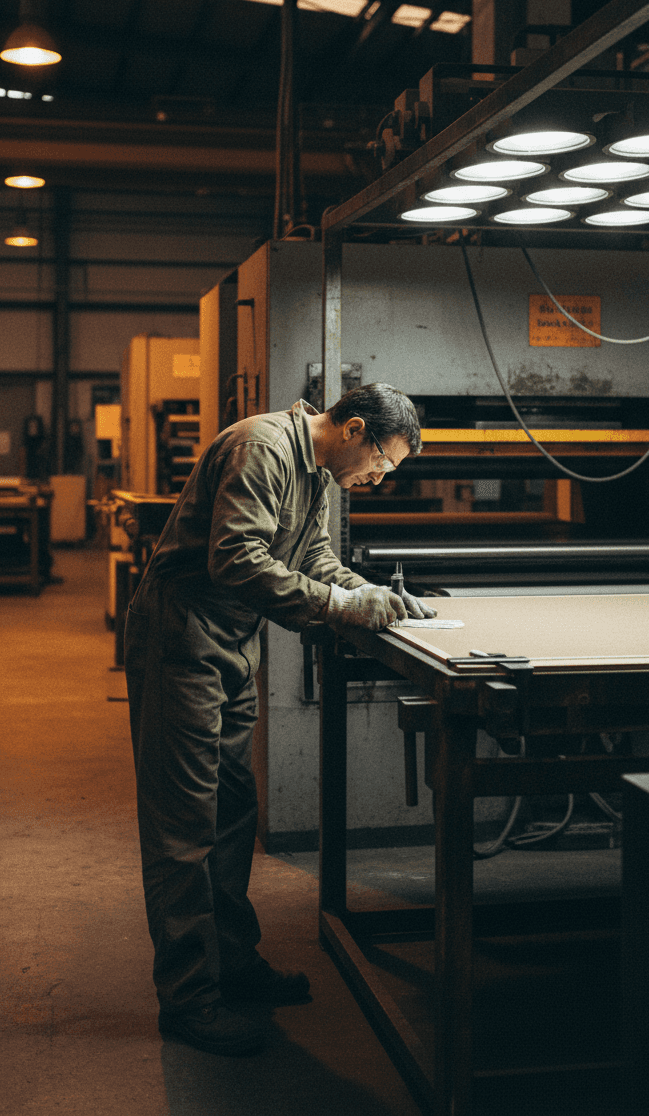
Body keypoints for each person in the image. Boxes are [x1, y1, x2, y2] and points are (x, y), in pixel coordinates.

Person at [124, 383, 436, 1056]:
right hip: (181, 637)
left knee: (233, 812)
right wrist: (342, 608)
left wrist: (370, 593)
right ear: (353, 428)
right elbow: (236, 561)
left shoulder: (321, 474)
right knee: (183, 825)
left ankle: (232, 964)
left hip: (233, 641)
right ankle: (188, 999)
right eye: (383, 462)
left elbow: (313, 561)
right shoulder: (261, 448)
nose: (380, 479)